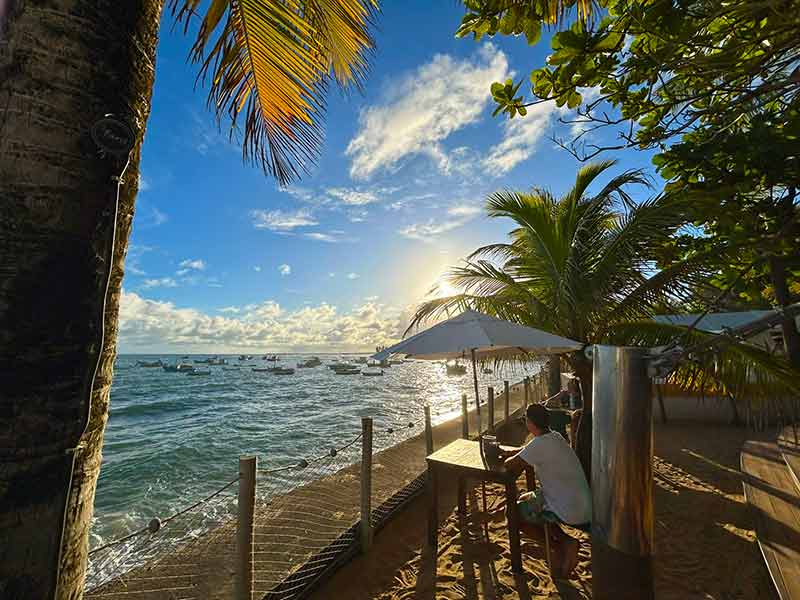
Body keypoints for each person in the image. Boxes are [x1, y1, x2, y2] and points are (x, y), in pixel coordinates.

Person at [500, 404, 591, 578]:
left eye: (526, 419)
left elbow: (509, 464)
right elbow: (531, 450)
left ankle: (560, 546)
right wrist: (517, 451)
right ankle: (564, 543)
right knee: (529, 498)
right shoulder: (554, 436)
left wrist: (508, 455)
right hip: (582, 502)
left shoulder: (539, 445)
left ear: (531, 423)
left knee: (512, 513)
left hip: (569, 509)